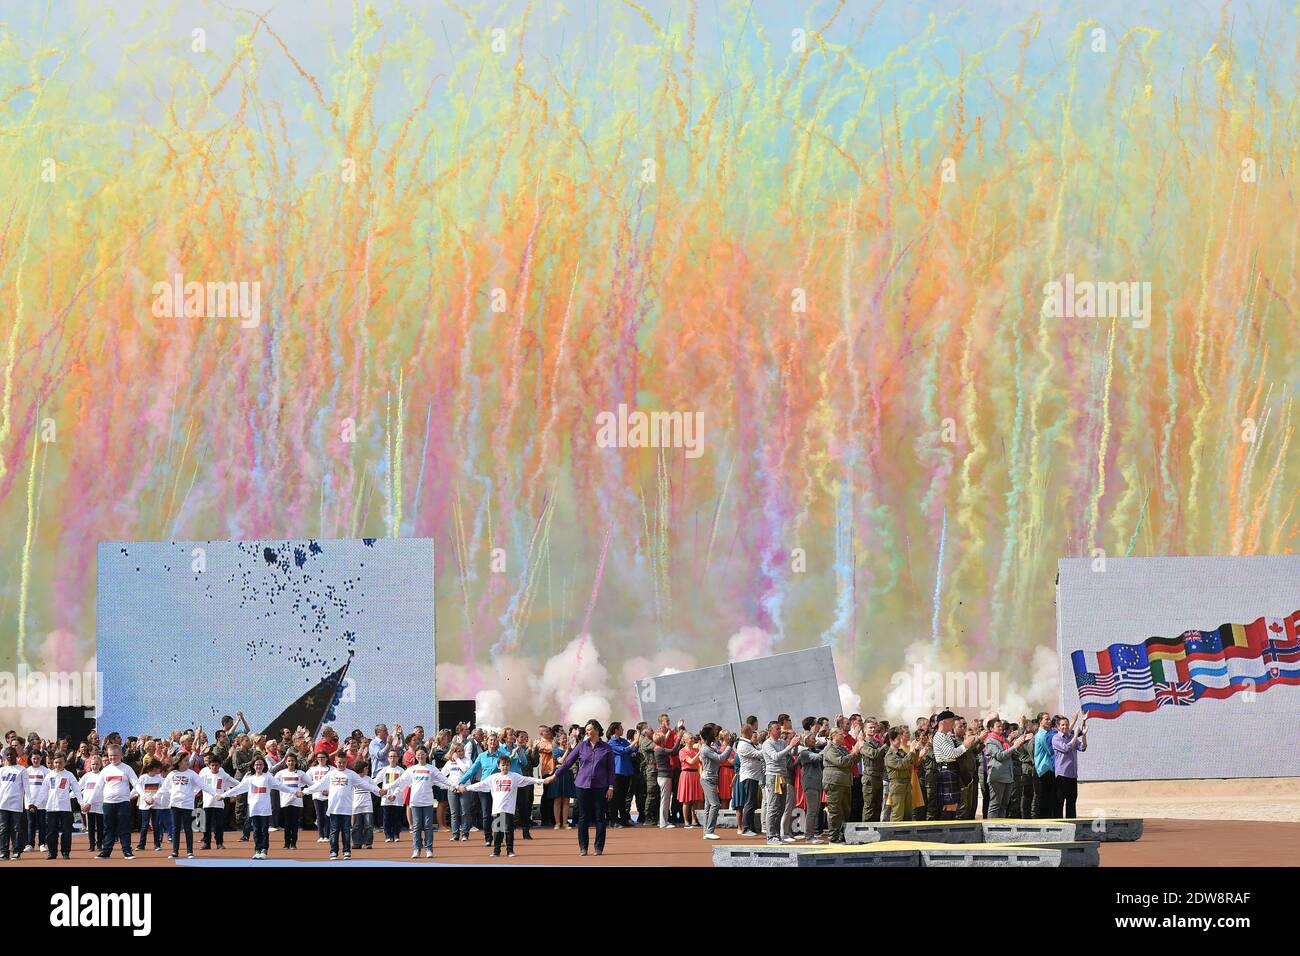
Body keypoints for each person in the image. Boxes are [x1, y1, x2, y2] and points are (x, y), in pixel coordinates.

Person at [456, 754, 550, 858]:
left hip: (509, 809)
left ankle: (510, 850)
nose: (505, 767)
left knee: (509, 831)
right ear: (499, 766)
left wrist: (543, 781)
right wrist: (466, 788)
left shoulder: (514, 776)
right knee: (497, 831)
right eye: (503, 765)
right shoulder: (493, 778)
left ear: (510, 766)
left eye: (507, 765)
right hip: (497, 808)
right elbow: (480, 785)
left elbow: (528, 779)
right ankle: (496, 851)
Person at [553, 719, 617, 856]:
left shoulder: (607, 748)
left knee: (600, 817)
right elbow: (567, 763)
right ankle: (583, 847)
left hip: (600, 786)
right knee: (583, 817)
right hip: (582, 785)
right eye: (586, 730)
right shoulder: (581, 746)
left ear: (597, 730)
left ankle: (598, 848)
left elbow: (611, 770)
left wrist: (611, 787)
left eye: (589, 729)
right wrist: (554, 776)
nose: (587, 732)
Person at [301, 751, 381, 860]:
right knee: (334, 831)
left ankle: (346, 851)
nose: (341, 764)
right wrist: (305, 791)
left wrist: (377, 790)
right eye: (339, 762)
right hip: (334, 808)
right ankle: (333, 851)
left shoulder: (351, 774)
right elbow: (318, 785)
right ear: (335, 762)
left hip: (346, 809)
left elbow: (365, 784)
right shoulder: (331, 774)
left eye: (343, 762)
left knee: (346, 831)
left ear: (347, 762)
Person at [380, 745, 456, 858]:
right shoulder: (411, 770)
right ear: (415, 756)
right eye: (418, 754)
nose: (420, 756)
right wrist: (388, 789)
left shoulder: (431, 769)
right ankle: (416, 849)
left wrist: (454, 785)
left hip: (427, 802)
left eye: (422, 754)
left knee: (428, 826)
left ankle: (429, 849)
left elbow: (442, 780)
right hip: (415, 802)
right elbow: (401, 782)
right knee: (416, 826)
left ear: (426, 755)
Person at [223, 755, 297, 859]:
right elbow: (238, 789)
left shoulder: (267, 777)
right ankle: (257, 849)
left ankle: (264, 850)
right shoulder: (249, 778)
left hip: (265, 809)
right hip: (254, 808)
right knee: (256, 830)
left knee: (264, 830)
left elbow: (280, 786)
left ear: (264, 766)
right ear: (253, 766)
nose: (258, 766)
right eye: (256, 764)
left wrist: (294, 792)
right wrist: (223, 795)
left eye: (260, 764)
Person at [152, 753, 216, 859]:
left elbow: (203, 785)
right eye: (186, 760)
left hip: (187, 805)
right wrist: (153, 798)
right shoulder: (172, 774)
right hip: (175, 804)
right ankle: (175, 851)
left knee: (187, 828)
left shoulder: (191, 774)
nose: (188, 762)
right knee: (175, 828)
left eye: (188, 760)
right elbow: (163, 788)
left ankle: (189, 851)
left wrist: (216, 794)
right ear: (179, 761)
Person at [929, 710, 978, 820]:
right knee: (949, 804)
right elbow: (951, 754)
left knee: (953, 803)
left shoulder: (946, 736)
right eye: (951, 721)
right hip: (946, 769)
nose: (953, 724)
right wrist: (965, 746)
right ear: (944, 722)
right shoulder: (940, 736)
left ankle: (948, 829)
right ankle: (946, 830)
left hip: (951, 770)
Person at [96, 745, 141, 859]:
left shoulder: (127, 768)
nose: (113, 758)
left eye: (115, 755)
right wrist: (88, 802)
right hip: (108, 803)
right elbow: (98, 788)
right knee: (108, 828)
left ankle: (127, 851)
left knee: (124, 827)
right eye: (110, 755)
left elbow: (136, 783)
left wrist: (144, 795)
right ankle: (106, 851)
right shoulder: (105, 770)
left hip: (123, 803)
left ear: (120, 755)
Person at [34, 752, 81, 860]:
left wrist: (81, 803)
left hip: (65, 808)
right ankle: (52, 853)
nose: (58, 765)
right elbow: (43, 792)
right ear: (52, 763)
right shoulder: (49, 775)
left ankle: (65, 852)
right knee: (51, 832)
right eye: (56, 762)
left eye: (60, 762)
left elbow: (77, 790)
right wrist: (36, 804)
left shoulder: (69, 775)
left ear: (65, 762)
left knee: (66, 831)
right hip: (51, 807)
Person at [983, 719, 1032, 819]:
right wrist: (1014, 746)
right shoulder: (990, 741)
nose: (1001, 728)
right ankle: (991, 828)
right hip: (997, 776)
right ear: (991, 728)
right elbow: (999, 756)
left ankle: (1001, 827)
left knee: (1004, 804)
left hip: (1008, 775)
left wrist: (1020, 743)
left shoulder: (1004, 740)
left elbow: (1014, 754)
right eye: (998, 726)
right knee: (995, 804)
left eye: (1001, 726)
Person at [760, 720, 800, 845]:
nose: (779, 731)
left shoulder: (782, 742)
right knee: (773, 806)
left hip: (783, 776)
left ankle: (777, 835)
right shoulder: (767, 744)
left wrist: (795, 745)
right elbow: (776, 757)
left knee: (781, 807)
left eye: (779, 728)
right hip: (773, 776)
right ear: (770, 731)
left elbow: (791, 753)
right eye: (777, 729)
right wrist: (790, 746)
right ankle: (771, 836)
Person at [696, 724, 733, 840]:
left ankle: (706, 831)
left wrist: (726, 745)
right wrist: (730, 746)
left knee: (708, 806)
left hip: (711, 778)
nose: (715, 735)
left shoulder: (710, 746)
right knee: (715, 804)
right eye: (712, 734)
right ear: (707, 737)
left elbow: (719, 751)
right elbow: (721, 758)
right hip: (708, 779)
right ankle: (709, 831)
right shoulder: (705, 749)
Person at [198, 752, 239, 849]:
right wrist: (193, 792)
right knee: (206, 823)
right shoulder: (204, 772)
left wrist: (234, 793)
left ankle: (219, 843)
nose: (214, 767)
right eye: (212, 765)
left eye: (216, 765)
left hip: (219, 803)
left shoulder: (223, 774)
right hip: (207, 802)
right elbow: (197, 783)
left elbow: (232, 783)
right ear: (208, 765)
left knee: (219, 824)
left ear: (220, 765)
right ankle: (206, 843)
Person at [1051, 713, 1088, 818]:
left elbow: (1083, 747)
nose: (1065, 727)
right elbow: (1066, 748)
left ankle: (1072, 824)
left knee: (1071, 802)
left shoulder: (1071, 737)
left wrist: (1084, 735)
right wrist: (1076, 735)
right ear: (1058, 727)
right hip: (1062, 775)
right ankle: (1058, 826)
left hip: (1072, 775)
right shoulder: (1056, 738)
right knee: (1059, 803)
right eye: (1062, 725)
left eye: (1067, 724)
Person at [884, 727, 924, 821]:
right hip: (897, 785)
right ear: (891, 740)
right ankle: (894, 834)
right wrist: (911, 752)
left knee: (908, 813)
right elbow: (901, 765)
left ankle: (906, 834)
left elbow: (913, 762)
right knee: (898, 813)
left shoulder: (901, 752)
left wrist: (916, 751)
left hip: (906, 784)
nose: (900, 741)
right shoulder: (889, 755)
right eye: (898, 739)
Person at [134, 758, 170, 851]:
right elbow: (137, 789)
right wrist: (127, 797)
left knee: (156, 824)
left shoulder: (160, 779)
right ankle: (141, 845)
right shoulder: (143, 778)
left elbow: (164, 789)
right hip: (144, 805)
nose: (160, 770)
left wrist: (154, 799)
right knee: (144, 825)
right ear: (154, 768)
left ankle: (157, 845)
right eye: (159, 768)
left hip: (156, 805)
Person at [797, 724, 825, 842]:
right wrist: (829, 748)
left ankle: (812, 834)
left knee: (815, 810)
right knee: (812, 811)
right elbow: (817, 758)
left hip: (817, 783)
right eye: (813, 739)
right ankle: (809, 836)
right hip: (810, 784)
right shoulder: (804, 753)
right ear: (806, 740)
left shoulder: (816, 750)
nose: (815, 740)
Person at [273, 752, 307, 849]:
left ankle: (293, 843)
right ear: (286, 762)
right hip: (285, 800)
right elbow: (274, 783)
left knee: (295, 822)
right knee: (287, 822)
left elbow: (310, 783)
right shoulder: (281, 773)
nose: (290, 763)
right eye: (289, 761)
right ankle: (286, 843)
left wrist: (304, 791)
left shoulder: (301, 773)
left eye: (292, 761)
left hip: (297, 801)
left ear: (296, 762)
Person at [607, 723, 637, 827]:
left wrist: (634, 742)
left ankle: (624, 819)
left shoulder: (623, 740)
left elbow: (632, 749)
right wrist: (635, 741)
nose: (623, 729)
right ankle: (613, 820)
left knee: (623, 797)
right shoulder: (611, 743)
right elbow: (623, 751)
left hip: (626, 772)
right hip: (617, 772)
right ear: (616, 730)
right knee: (615, 797)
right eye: (621, 728)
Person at [0, 747, 28, 860]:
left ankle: (16, 851)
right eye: (7, 755)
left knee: (17, 828)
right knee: (3, 829)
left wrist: (29, 803)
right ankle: (4, 852)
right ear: (5, 756)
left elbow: (27, 787)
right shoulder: (1, 770)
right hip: (2, 804)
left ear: (16, 755)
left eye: (12, 754)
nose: (10, 756)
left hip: (16, 804)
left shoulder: (22, 770)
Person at [736, 724, 764, 836]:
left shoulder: (747, 743)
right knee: (749, 802)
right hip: (749, 776)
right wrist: (767, 749)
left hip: (753, 775)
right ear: (747, 732)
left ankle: (751, 827)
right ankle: (746, 828)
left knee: (752, 802)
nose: (753, 734)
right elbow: (757, 754)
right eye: (752, 731)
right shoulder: (743, 745)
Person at [373, 748, 406, 843]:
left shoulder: (401, 771)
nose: (392, 758)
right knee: (387, 818)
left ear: (398, 758)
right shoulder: (384, 770)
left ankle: (396, 835)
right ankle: (388, 835)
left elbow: (403, 784)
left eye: (394, 756)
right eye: (391, 756)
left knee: (397, 817)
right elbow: (375, 781)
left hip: (397, 798)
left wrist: (395, 794)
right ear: (388, 758)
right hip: (386, 798)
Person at [860, 719, 887, 824]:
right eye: (870, 727)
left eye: (874, 727)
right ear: (865, 729)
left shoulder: (877, 743)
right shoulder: (863, 743)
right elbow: (874, 754)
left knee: (878, 805)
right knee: (869, 805)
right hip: (870, 777)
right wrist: (885, 745)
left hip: (879, 775)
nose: (872, 729)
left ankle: (876, 829)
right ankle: (866, 830)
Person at [22, 749, 50, 853]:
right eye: (34, 758)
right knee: (31, 824)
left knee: (42, 824)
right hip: (29, 802)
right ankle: (30, 844)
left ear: (41, 758)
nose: (36, 760)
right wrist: (29, 802)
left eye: (38, 758)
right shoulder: (26, 771)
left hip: (42, 803)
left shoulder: (46, 771)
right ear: (30, 759)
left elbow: (48, 787)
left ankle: (42, 844)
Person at [676, 732, 703, 828]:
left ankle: (694, 820)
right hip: (686, 775)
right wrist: (700, 752)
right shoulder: (682, 751)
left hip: (695, 774)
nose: (692, 740)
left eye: (692, 738)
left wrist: (701, 750)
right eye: (690, 738)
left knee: (695, 799)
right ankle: (686, 821)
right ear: (685, 740)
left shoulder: (696, 750)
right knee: (686, 800)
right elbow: (690, 761)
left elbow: (701, 761)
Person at [1032, 712, 1057, 818]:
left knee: (1049, 799)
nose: (1049, 721)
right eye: (1046, 719)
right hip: (1043, 771)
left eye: (1049, 719)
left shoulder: (1049, 733)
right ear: (1040, 721)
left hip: (1049, 770)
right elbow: (1052, 750)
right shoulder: (1042, 735)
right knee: (1043, 800)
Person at [306, 750, 333, 842]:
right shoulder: (312, 769)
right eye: (319, 758)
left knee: (327, 815)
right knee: (319, 816)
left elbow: (334, 782)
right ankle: (321, 835)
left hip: (328, 796)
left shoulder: (332, 769)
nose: (321, 759)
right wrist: (314, 789)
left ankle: (327, 836)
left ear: (327, 758)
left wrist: (329, 791)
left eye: (323, 757)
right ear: (316, 759)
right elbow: (307, 781)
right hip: (317, 796)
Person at [80, 754, 104, 852]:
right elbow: (78, 787)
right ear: (90, 765)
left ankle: (99, 844)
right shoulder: (87, 776)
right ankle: (91, 844)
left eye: (97, 764)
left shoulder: (102, 775)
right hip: (88, 805)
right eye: (93, 764)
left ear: (100, 765)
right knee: (90, 826)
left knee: (100, 826)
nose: (95, 766)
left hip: (100, 804)